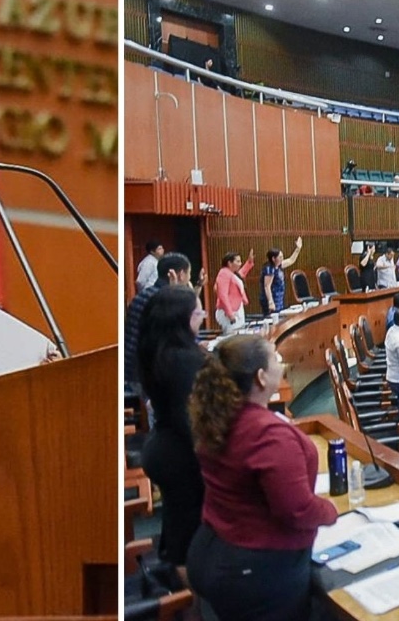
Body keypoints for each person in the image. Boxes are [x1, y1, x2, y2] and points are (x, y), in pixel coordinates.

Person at [186, 335, 340, 621]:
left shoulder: (219, 415)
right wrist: (331, 511)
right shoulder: (268, 435)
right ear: (260, 377)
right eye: (276, 360)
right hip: (254, 570)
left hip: (214, 546)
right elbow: (296, 510)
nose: (282, 365)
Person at [137, 286, 208, 567]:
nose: (202, 318)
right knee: (188, 529)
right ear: (183, 318)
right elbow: (189, 419)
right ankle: (184, 587)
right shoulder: (183, 360)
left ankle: (171, 566)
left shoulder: (159, 349)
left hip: (162, 445)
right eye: (199, 313)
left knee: (176, 517)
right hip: (180, 455)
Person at [127, 253, 193, 385]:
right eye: (189, 273)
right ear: (181, 274)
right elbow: (177, 336)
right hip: (148, 374)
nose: (189, 278)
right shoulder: (166, 301)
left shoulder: (142, 296)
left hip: (129, 366)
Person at [259, 236, 303, 316]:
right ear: (273, 258)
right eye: (280, 257)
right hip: (272, 299)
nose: (282, 258)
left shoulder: (278, 266)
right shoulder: (269, 269)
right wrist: (270, 302)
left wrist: (298, 249)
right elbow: (267, 286)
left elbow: (291, 260)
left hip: (279, 298)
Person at [214, 250, 254, 334]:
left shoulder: (232, 274)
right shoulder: (224, 273)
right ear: (229, 263)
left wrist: (249, 262)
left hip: (237, 309)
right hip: (229, 312)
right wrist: (230, 314)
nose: (240, 263)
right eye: (238, 261)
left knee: (239, 334)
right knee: (233, 335)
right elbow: (223, 295)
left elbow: (242, 273)